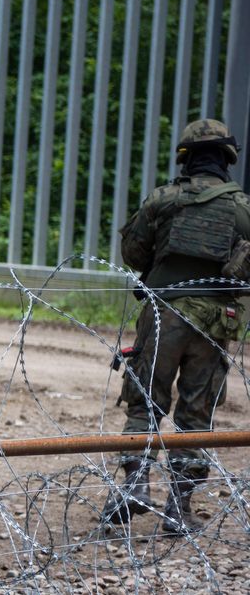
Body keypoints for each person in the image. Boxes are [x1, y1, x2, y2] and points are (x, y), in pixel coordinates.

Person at [103, 119, 249, 534]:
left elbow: (133, 252)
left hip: (164, 312)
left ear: (184, 157)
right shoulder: (242, 207)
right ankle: (179, 510)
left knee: (145, 400)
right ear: (228, 159)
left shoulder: (163, 199)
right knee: (195, 414)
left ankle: (135, 486)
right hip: (216, 321)